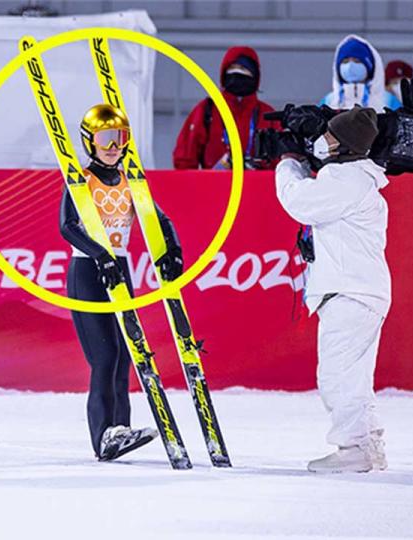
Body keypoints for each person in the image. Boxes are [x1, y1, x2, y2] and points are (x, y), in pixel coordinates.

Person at [61, 104, 184, 462]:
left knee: (125, 355)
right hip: (89, 271)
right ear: (90, 142)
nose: (113, 146)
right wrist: (99, 255)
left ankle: (121, 430)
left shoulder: (131, 183)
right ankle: (104, 435)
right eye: (105, 139)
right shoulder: (83, 181)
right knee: (105, 355)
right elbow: (68, 226)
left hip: (121, 269)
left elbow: (159, 219)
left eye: (120, 138)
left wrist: (173, 249)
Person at [275, 106, 391, 473]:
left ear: (342, 145)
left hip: (350, 291)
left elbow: (298, 201)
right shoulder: (357, 178)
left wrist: (287, 163)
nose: (321, 142)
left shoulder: (347, 181)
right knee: (355, 376)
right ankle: (368, 444)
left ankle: (352, 448)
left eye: (328, 136)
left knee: (337, 376)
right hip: (361, 291)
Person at [172, 46, 280, 170]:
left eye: (243, 69)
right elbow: (184, 159)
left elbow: (282, 162)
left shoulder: (267, 114)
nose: (237, 73)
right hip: (213, 187)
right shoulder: (207, 110)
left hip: (258, 187)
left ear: (255, 76)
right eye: (232, 68)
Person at [319, 34, 401, 112]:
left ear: (370, 66)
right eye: (345, 61)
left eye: (357, 61)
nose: (350, 66)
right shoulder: (328, 101)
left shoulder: (388, 100)